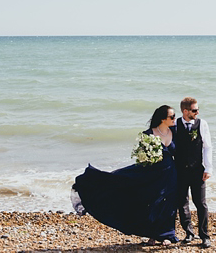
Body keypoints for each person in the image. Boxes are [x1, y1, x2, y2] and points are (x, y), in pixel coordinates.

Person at [71, 105, 179, 245]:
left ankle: (168, 235)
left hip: (170, 174)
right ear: (163, 119)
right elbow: (142, 158)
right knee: (152, 203)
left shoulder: (175, 132)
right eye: (172, 116)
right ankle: (153, 235)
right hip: (152, 175)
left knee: (168, 203)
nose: (175, 119)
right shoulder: (148, 134)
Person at [175, 97, 213, 248]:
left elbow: (207, 147)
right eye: (195, 110)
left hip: (197, 170)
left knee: (201, 203)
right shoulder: (175, 125)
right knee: (182, 202)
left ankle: (204, 236)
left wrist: (209, 168)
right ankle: (189, 233)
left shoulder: (202, 124)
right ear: (185, 111)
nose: (198, 112)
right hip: (179, 171)